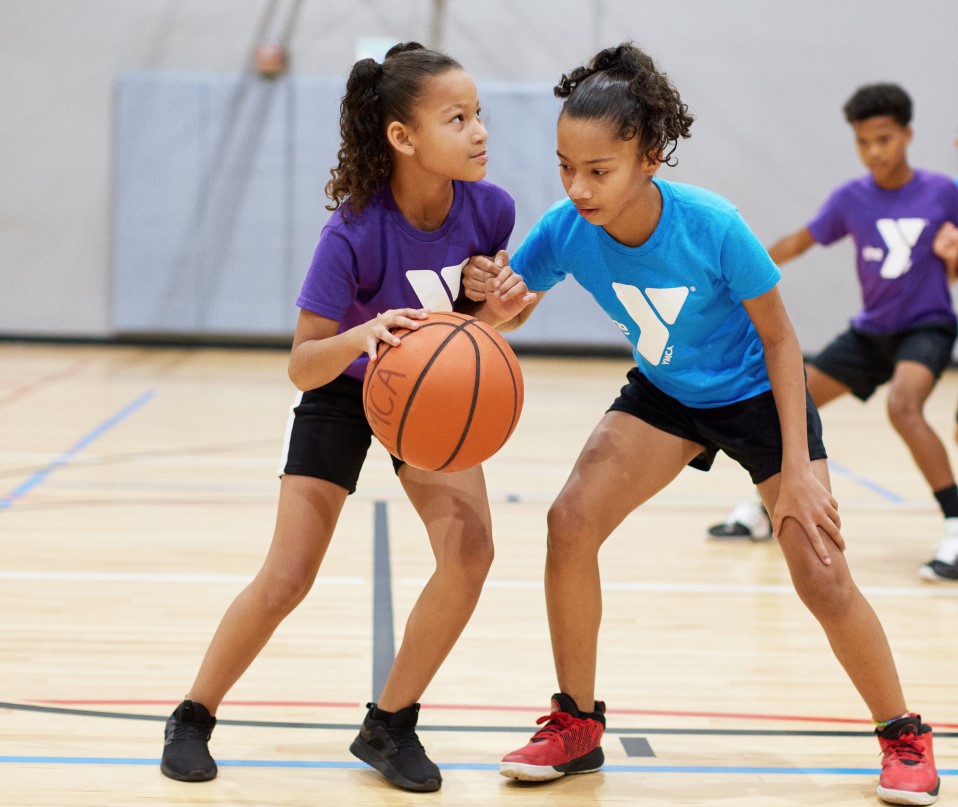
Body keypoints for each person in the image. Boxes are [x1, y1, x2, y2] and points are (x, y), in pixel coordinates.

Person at [467, 44, 940, 805]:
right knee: (569, 522)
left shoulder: (714, 225)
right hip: (666, 392)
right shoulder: (563, 229)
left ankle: (904, 733)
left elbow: (785, 342)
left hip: (758, 394)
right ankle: (577, 722)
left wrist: (795, 476)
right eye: (565, 167)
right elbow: (505, 313)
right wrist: (491, 297)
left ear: (649, 156)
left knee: (820, 572)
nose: (579, 187)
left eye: (599, 170)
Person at [158, 42, 532, 793]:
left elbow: (473, 331)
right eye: (458, 118)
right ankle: (193, 713)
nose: (481, 132)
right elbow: (301, 361)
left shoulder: (491, 209)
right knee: (288, 575)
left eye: (480, 114)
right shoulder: (353, 230)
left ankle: (389, 723)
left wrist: (499, 309)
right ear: (403, 137)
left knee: (471, 552)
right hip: (342, 386)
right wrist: (359, 337)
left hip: (428, 395)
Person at [706, 85, 958, 589]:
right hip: (871, 332)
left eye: (884, 139)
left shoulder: (944, 192)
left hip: (927, 325)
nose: (874, 152)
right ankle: (766, 509)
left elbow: (952, 271)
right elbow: (796, 243)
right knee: (786, 396)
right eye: (864, 142)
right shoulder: (850, 198)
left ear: (907, 135)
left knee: (903, 406)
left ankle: (955, 521)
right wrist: (735, 274)